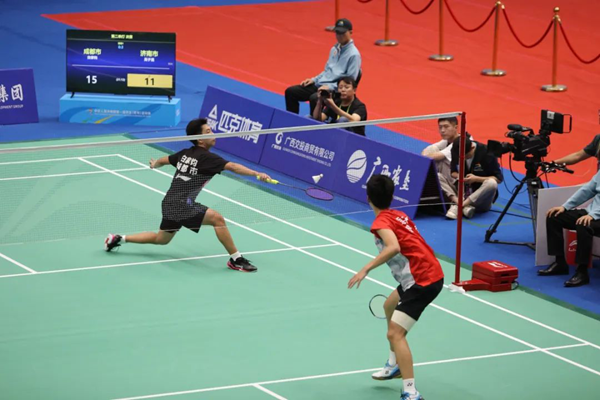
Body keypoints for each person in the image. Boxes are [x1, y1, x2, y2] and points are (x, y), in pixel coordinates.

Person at [104, 118, 271, 273]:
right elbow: (233, 167)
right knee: (217, 219)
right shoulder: (208, 158)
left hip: (169, 203)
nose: (213, 134)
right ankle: (236, 260)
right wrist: (257, 174)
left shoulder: (184, 153)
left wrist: (155, 164)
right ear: (200, 139)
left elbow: (164, 159)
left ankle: (119, 238)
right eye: (208, 131)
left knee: (161, 239)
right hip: (181, 204)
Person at [348, 175, 444, 400]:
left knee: (395, 333)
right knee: (388, 305)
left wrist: (366, 269)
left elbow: (393, 247)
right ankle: (394, 364)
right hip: (423, 274)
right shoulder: (398, 215)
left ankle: (410, 390)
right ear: (391, 197)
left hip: (423, 281)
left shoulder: (380, 223)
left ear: (368, 198)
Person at [285, 18, 361, 115]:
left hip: (335, 90)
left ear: (350, 33)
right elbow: (327, 71)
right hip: (320, 85)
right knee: (291, 92)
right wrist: (314, 80)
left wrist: (329, 87)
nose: (339, 36)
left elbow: (350, 81)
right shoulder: (334, 49)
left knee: (314, 98)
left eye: (343, 33)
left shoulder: (354, 55)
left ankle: (313, 123)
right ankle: (291, 121)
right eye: (337, 33)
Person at [538, 170, 600, 287]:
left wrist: (593, 215)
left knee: (584, 225)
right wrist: (565, 206)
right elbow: (587, 190)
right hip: (591, 213)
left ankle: (582, 272)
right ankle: (560, 263)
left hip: (595, 215)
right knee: (554, 217)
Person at [438, 134, 503, 219]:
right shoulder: (455, 150)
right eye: (461, 158)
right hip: (461, 192)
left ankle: (459, 206)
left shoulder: (487, 153)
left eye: (466, 156)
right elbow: (453, 172)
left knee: (492, 183)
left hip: (480, 197)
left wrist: (476, 179)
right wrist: (460, 177)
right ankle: (459, 203)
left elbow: (498, 178)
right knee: (438, 176)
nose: (463, 159)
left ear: (472, 148)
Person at [421, 117, 461, 184]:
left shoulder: (461, 142)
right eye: (440, 127)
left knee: (442, 160)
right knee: (432, 149)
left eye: (446, 127)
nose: (442, 130)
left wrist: (424, 157)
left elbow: (438, 156)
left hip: (459, 181)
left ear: (455, 127)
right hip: (448, 176)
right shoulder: (448, 140)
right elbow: (427, 150)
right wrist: (424, 156)